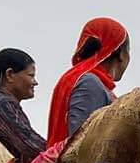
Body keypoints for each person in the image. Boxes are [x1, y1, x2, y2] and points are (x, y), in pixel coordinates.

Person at [46, 17, 131, 145]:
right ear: (120, 54)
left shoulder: (77, 78)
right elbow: (81, 144)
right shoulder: (90, 83)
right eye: (128, 51)